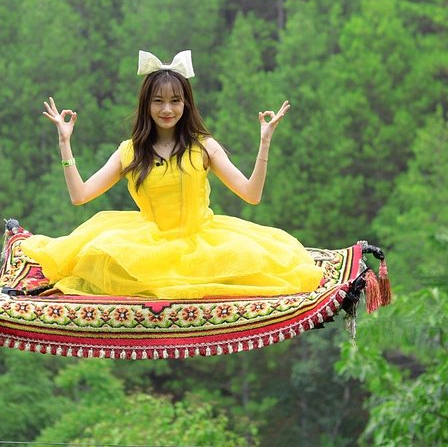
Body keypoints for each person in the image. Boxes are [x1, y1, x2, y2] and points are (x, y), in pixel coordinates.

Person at [19, 50, 324, 299]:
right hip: (147, 243)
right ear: (147, 104)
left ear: (185, 104)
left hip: (201, 240)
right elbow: (80, 195)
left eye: (175, 101)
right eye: (158, 101)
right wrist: (65, 143)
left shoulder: (204, 146)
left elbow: (251, 195)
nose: (167, 109)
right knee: (98, 255)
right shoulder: (130, 151)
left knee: (253, 260)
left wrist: (264, 143)